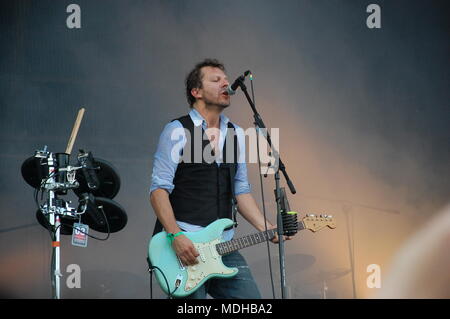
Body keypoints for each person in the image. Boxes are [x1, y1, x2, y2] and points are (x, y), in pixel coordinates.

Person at [149, 58, 289, 299]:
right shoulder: (177, 130)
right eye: (216, 80)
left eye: (226, 79)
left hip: (223, 246)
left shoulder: (235, 134)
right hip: (185, 244)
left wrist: (268, 228)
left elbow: (241, 191)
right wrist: (175, 236)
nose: (226, 83)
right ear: (196, 92)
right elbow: (158, 191)